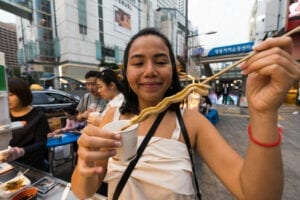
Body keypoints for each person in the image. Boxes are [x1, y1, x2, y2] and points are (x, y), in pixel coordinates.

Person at [71, 28, 300, 199]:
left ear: (173, 70)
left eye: (160, 61)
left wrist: (264, 113)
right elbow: (83, 191)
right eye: (138, 63)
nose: (150, 71)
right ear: (126, 73)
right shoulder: (112, 118)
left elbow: (257, 195)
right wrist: (84, 164)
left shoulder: (192, 123)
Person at [5, 77, 50, 171]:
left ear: (22, 94)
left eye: (10, 95)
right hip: (7, 165)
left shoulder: (38, 116)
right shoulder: (4, 115)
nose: (6, 99)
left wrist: (21, 151)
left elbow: (41, 143)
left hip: (32, 165)